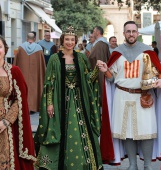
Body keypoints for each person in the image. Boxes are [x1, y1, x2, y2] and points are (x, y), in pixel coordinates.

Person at [98, 21, 161, 170]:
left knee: (147, 131)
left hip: (143, 97)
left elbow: (159, 72)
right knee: (127, 132)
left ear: (138, 33)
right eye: (128, 31)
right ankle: (132, 165)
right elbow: (112, 78)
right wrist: (105, 71)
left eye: (134, 31)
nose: (131, 34)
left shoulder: (148, 52)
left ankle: (148, 165)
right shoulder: (117, 53)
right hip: (122, 96)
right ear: (123, 34)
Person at [34, 26, 103, 170]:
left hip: (79, 101)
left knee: (81, 132)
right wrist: (49, 103)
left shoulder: (81, 57)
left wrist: (97, 69)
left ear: (75, 41)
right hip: (60, 102)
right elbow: (49, 83)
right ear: (62, 41)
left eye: (72, 40)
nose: (70, 42)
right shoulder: (54, 59)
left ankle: (84, 164)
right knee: (57, 130)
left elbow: (87, 80)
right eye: (67, 39)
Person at [0, 35, 36, 169]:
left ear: (5, 49)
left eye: (0, 47)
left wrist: (6, 121)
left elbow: (20, 99)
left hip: (7, 124)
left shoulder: (14, 71)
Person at [13, 32, 46, 113]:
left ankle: (24, 106)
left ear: (26, 38)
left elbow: (15, 62)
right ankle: (33, 107)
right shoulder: (39, 48)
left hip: (22, 74)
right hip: (35, 76)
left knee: (23, 88)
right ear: (34, 38)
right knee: (34, 88)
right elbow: (42, 65)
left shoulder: (21, 48)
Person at [88, 26, 110, 103]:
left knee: (101, 88)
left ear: (97, 32)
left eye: (94, 31)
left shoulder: (99, 44)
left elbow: (92, 57)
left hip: (99, 70)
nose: (93, 33)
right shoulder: (104, 43)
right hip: (104, 69)